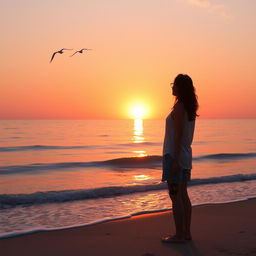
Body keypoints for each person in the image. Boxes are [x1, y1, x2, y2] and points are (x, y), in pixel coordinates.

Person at [161, 74, 199, 243]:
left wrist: (175, 159)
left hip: (175, 157)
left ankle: (179, 235)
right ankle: (186, 233)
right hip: (185, 156)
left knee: (175, 195)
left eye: (174, 84)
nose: (172, 87)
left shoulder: (179, 107)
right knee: (182, 195)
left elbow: (178, 135)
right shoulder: (189, 107)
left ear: (180, 88)